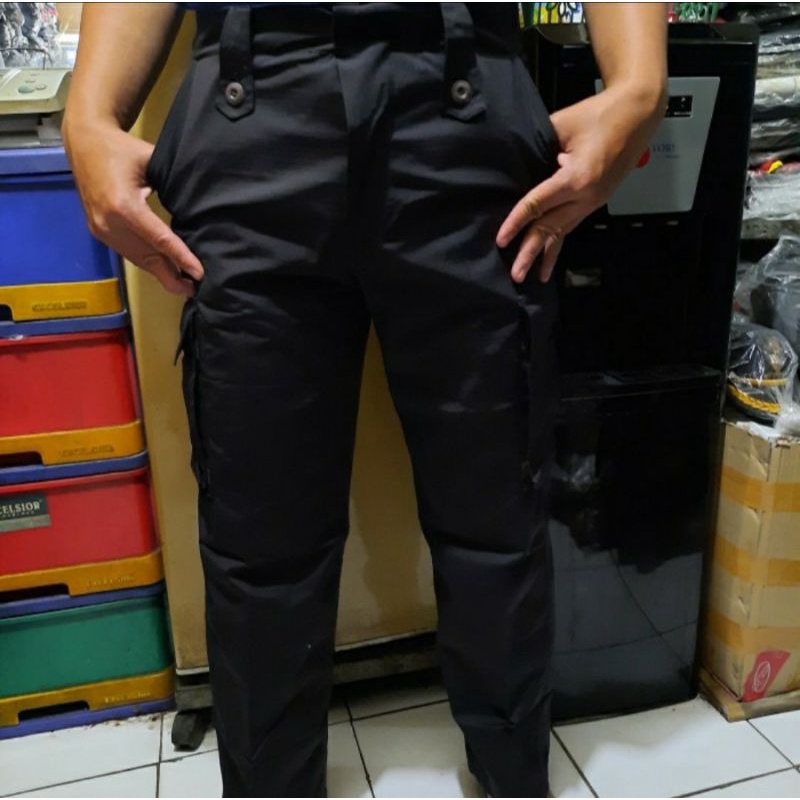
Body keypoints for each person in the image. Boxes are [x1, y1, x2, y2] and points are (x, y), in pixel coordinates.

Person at [64, 3, 667, 797]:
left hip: (462, 99)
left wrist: (640, 84)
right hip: (252, 106)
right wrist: (88, 112)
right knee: (257, 534)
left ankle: (513, 779)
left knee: (495, 510)